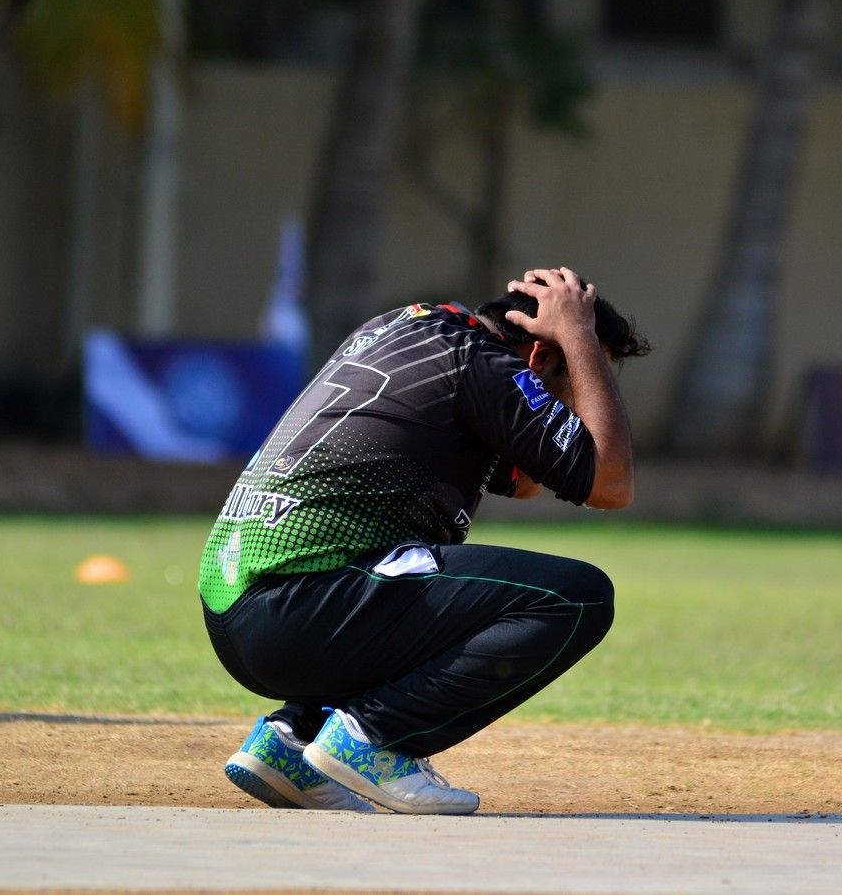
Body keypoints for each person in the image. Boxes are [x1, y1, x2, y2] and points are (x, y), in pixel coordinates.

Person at [198, 267, 650, 815]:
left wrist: (566, 368)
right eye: (581, 377)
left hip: (242, 609)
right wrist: (580, 340)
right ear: (539, 355)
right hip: (301, 608)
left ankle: (292, 740)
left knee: (429, 584)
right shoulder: (480, 362)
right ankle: (375, 739)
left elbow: (528, 482)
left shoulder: (407, 328)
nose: (581, 399)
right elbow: (611, 484)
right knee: (576, 597)